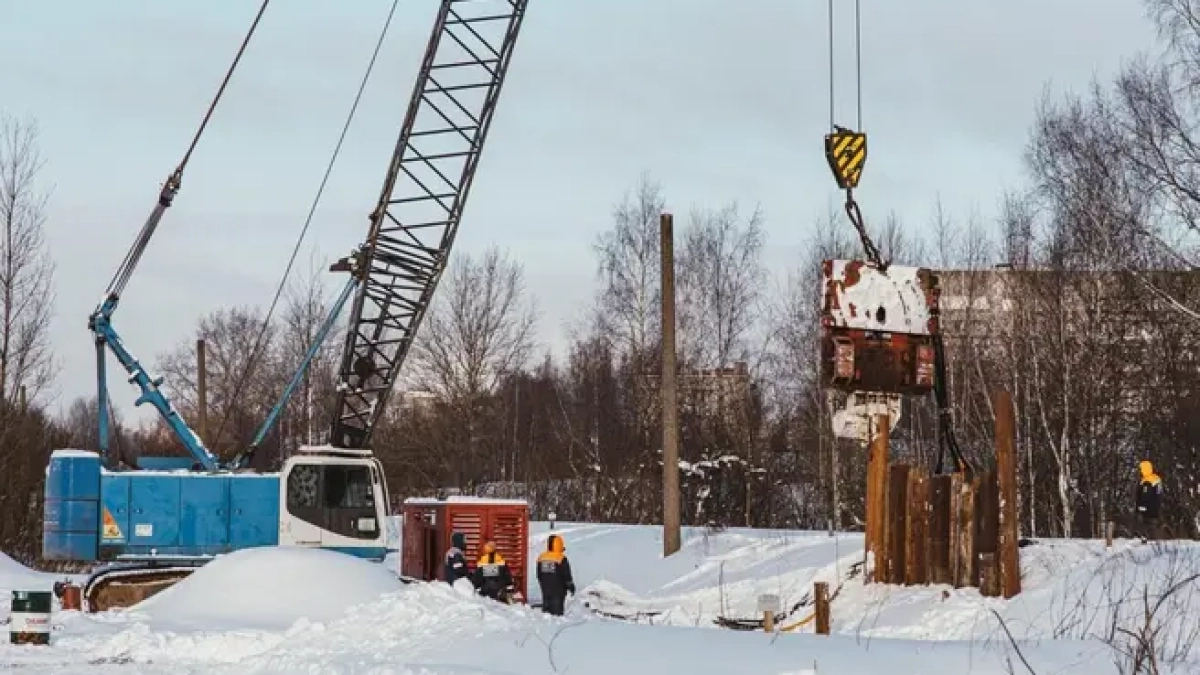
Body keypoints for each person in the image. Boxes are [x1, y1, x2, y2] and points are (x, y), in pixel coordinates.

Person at [536, 534, 576, 616]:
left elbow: (539, 575)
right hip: (558, 591)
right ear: (559, 545)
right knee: (557, 614)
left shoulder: (541, 558)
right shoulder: (561, 559)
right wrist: (570, 586)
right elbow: (566, 575)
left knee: (546, 614)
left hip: (545, 589)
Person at [1135, 460, 1163, 542]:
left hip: (1148, 508)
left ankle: (1147, 540)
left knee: (1147, 525)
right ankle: (1156, 542)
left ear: (1145, 469)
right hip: (1155, 507)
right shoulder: (1156, 478)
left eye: (1141, 469)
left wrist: (1140, 507)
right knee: (1153, 525)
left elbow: (1145, 496)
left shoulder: (1147, 481)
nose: (1140, 471)